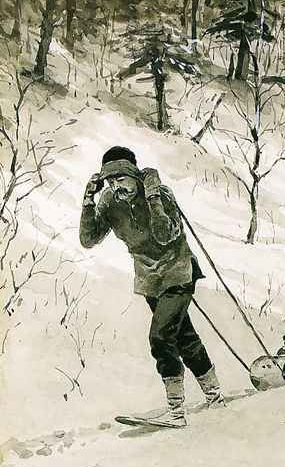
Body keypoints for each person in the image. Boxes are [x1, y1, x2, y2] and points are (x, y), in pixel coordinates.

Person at [79, 146, 224, 427]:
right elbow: (88, 239)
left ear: (134, 175)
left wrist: (154, 197)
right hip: (149, 280)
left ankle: (176, 411)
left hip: (178, 272)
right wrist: (88, 200)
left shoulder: (159, 194)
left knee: (160, 337)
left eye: (121, 179)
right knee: (184, 338)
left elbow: (165, 234)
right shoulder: (109, 201)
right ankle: (215, 395)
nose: (115, 186)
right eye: (109, 181)